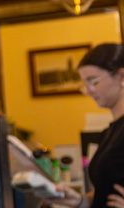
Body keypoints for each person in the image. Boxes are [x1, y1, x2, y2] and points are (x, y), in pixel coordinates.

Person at [50, 43, 124, 208]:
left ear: (121, 76)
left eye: (93, 81)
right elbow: (106, 191)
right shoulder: (108, 133)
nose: (89, 90)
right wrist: (80, 200)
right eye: (85, 84)